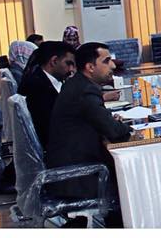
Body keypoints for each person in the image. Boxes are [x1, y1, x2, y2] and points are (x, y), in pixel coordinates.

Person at [45, 42, 133, 223]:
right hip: (77, 177)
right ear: (90, 67)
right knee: (130, 179)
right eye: (106, 61)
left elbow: (101, 122)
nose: (113, 65)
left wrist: (110, 122)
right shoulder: (85, 91)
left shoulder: (77, 84)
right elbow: (115, 132)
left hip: (70, 167)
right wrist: (124, 125)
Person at [19, 40, 76, 147]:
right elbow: (53, 127)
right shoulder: (37, 88)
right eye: (68, 64)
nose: (71, 69)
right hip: (59, 147)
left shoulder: (43, 79)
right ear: (54, 61)